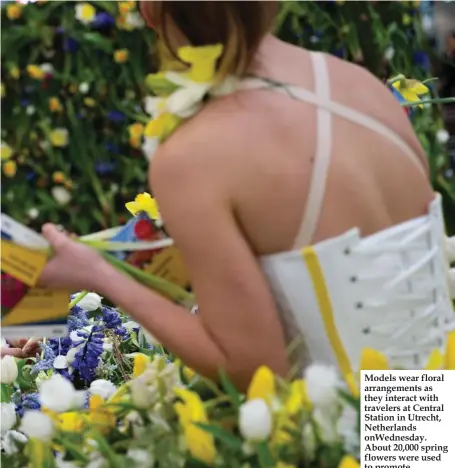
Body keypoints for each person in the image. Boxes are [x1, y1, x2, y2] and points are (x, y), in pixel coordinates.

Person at [38, 1, 455, 389]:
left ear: (149, 9)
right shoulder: (361, 86)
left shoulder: (195, 154)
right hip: (435, 425)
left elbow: (256, 368)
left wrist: (99, 274)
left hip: (357, 453)